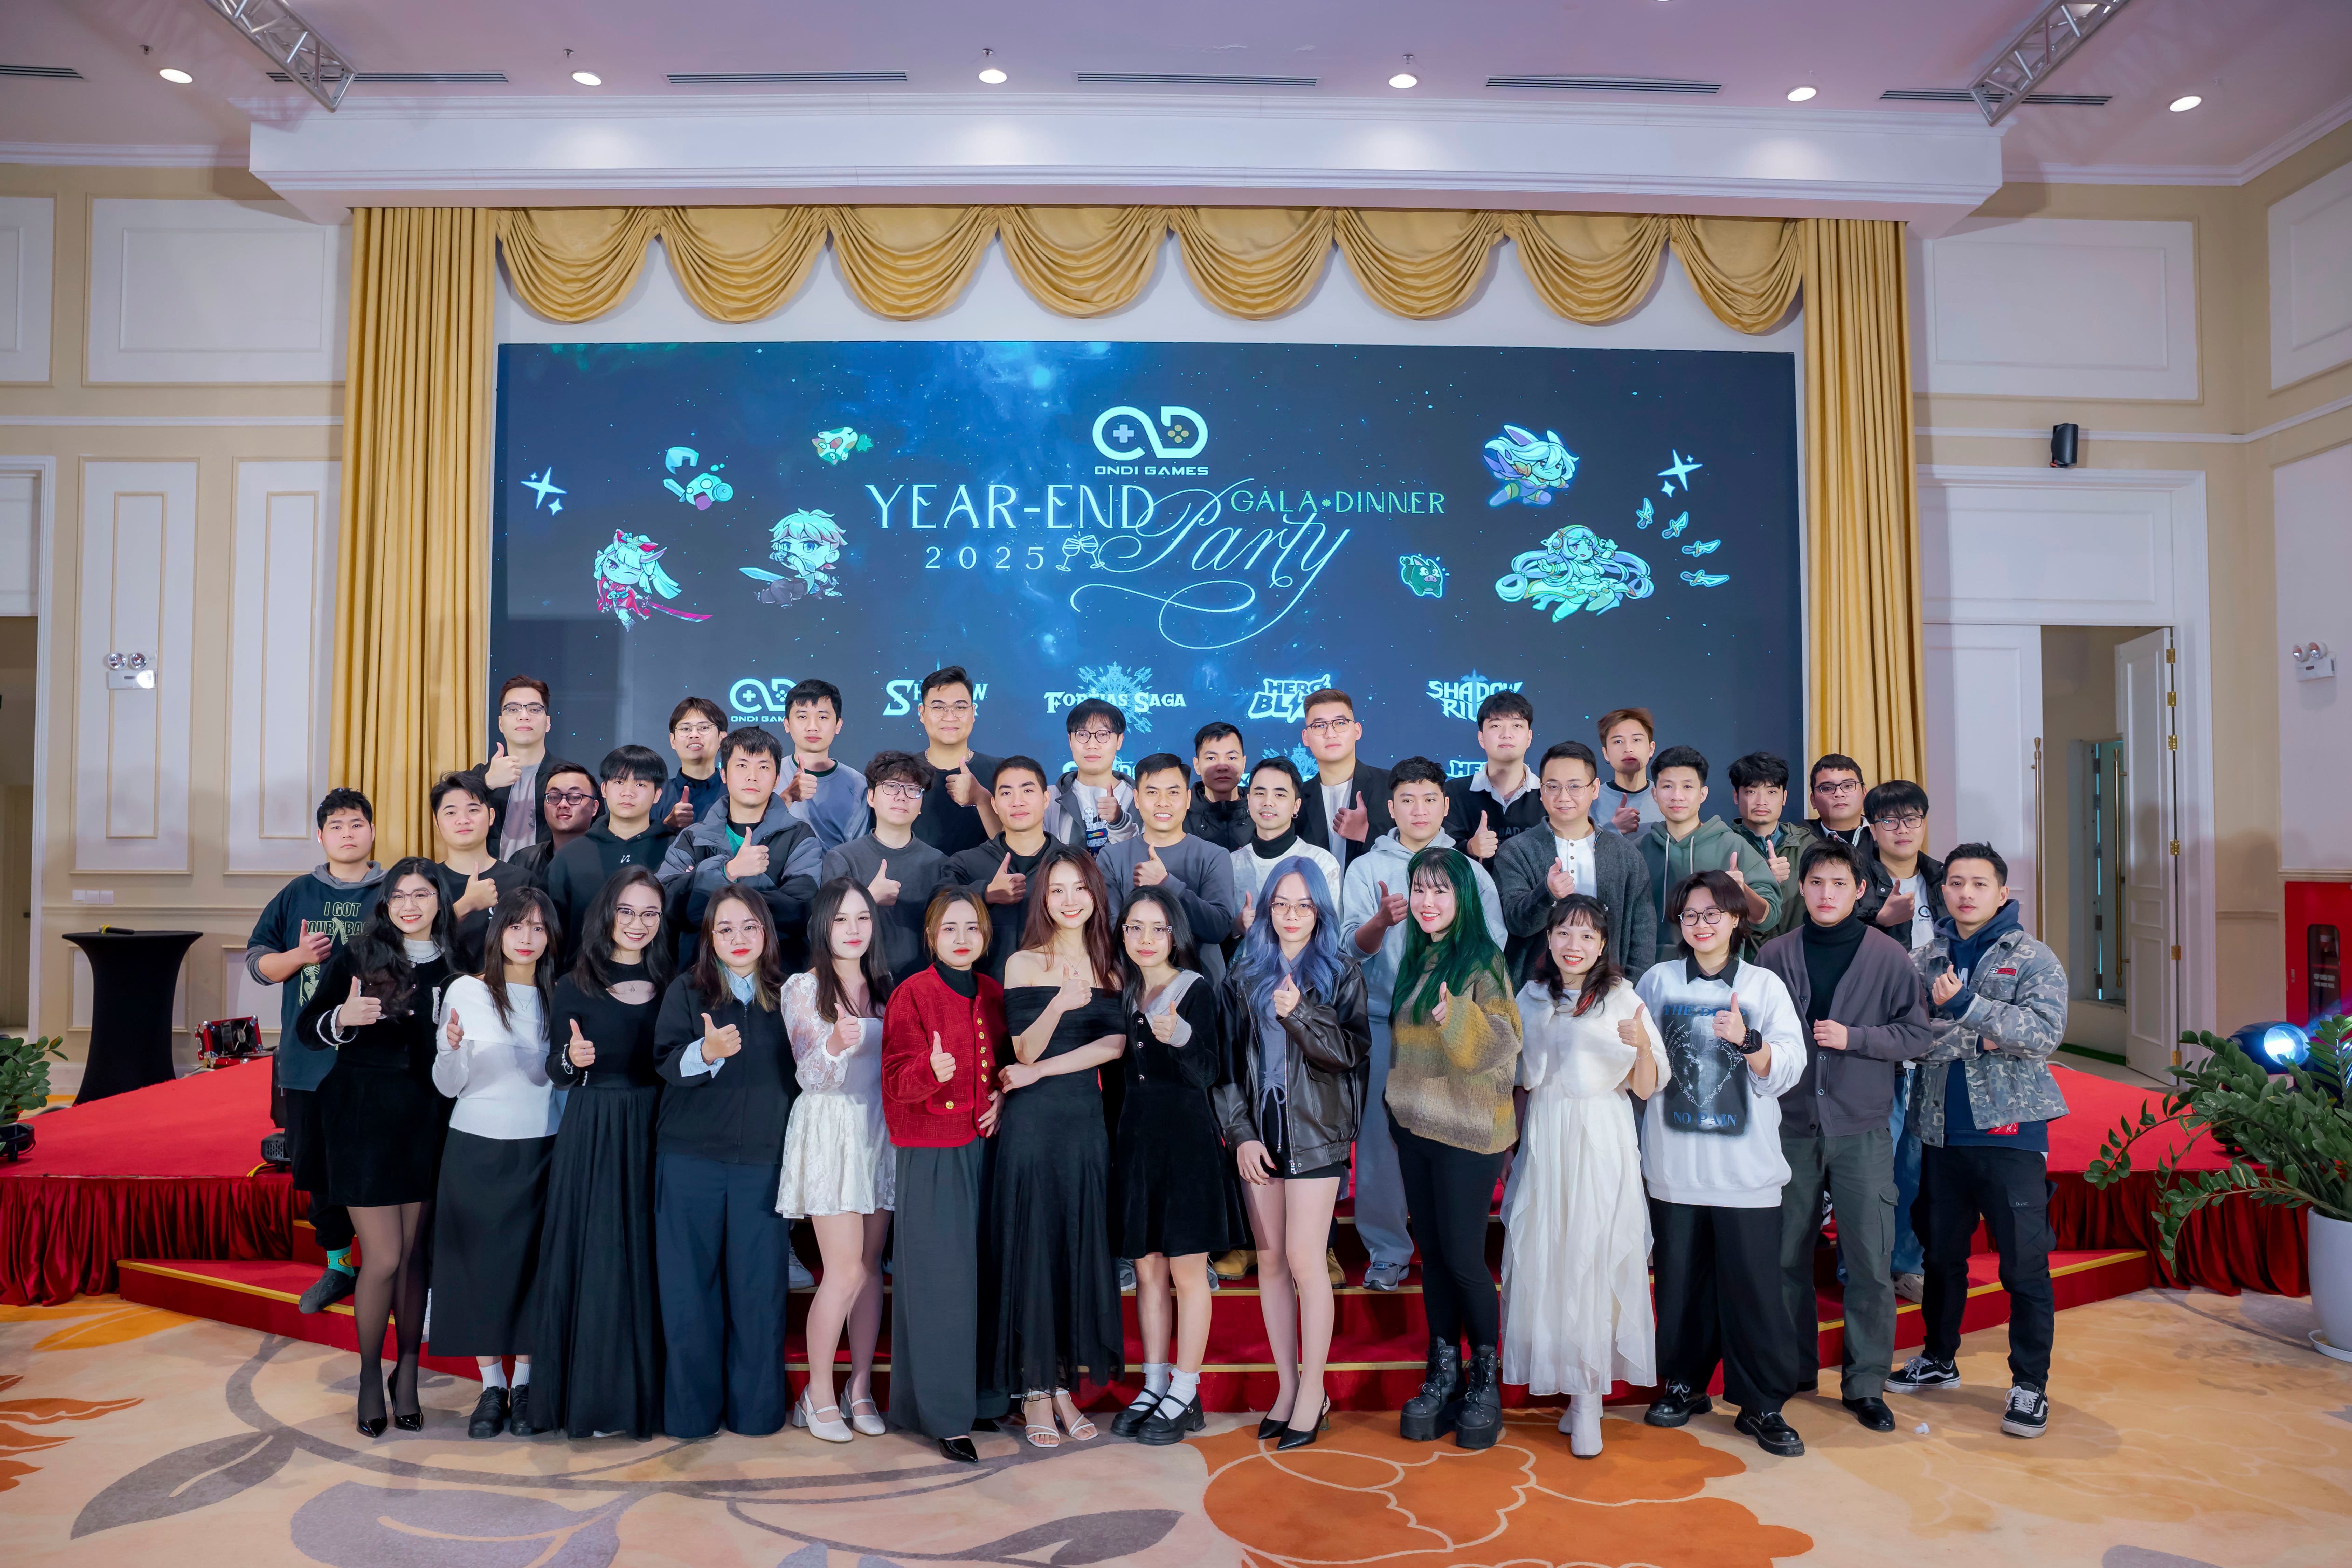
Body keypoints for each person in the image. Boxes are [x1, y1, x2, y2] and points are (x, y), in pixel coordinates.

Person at [1886, 843, 2069, 1441]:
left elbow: (2041, 1034)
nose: (1966, 893)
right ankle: (1939, 1358)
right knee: (1941, 1258)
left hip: (2010, 1133)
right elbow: (1910, 1037)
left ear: (2002, 893)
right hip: (1939, 1132)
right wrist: (1983, 1035)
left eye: (1979, 883)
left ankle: (2029, 1384)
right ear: (1943, 891)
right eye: (1956, 882)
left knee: (2023, 1265)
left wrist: (1964, 1006)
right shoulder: (1923, 958)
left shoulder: (2033, 958)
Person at [1755, 839, 1932, 1433]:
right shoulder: (1775, 954)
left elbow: (1916, 1035)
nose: (1826, 893)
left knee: (1868, 1262)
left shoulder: (1888, 956)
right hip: (1788, 1126)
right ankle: (1791, 1369)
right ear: (1801, 888)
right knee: (1785, 1256)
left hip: (1862, 1128)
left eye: (1839, 883)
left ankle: (1865, 1384)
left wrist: (1855, 1038)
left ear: (1860, 890)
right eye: (1816, 882)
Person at [1636, 869, 1807, 1458]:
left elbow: (1790, 1066)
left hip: (1745, 1173)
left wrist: (1748, 1041)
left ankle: (1761, 1403)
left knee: (1754, 1291)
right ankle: (1683, 1384)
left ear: (1736, 920)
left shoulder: (1763, 985)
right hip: (1675, 1169)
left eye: (1713, 914)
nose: (1701, 924)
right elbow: (1639, 1062)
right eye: (1690, 915)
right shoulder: (1658, 981)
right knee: (1680, 1287)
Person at [290, 857, 452, 1437]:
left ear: (440, 900)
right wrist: (343, 1015)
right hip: (362, 1116)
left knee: (414, 1258)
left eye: (422, 894)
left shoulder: (458, 964)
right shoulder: (360, 954)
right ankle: (367, 1375)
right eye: (399, 895)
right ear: (385, 904)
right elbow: (307, 1028)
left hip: (428, 1118)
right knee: (382, 1256)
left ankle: (406, 1375)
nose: (410, 905)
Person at [1214, 857, 1370, 1451]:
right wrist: (1240, 1133)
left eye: (1303, 905)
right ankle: (1286, 1388)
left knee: (1306, 1258)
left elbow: (1350, 1052)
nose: (1291, 915)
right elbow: (1226, 1064)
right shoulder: (1245, 970)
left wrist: (1299, 1013)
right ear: (1267, 909)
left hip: (1317, 1131)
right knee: (1272, 1260)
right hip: (1260, 1130)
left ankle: (1313, 1390)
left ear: (1320, 910)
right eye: (1281, 904)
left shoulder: (1340, 970)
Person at [1501, 894, 1664, 1458]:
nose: (1574, 946)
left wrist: (1642, 1048)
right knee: (1550, 1257)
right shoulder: (1529, 996)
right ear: (1548, 938)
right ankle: (1572, 1388)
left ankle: (1589, 1397)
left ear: (1602, 945)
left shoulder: (1622, 996)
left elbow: (1646, 1086)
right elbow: (1519, 1076)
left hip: (1600, 1137)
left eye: (1587, 936)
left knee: (1591, 1256)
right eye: (1564, 933)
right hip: (1547, 1136)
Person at [1340, 757, 1506, 1294]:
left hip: (1452, 1026)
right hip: (1384, 1024)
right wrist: (1380, 922)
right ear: (1390, 808)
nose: (1418, 809)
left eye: (1429, 799)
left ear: (1444, 805)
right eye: (1407, 800)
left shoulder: (1469, 872)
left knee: (1451, 1137)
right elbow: (1348, 949)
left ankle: (1452, 1248)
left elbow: (1493, 946)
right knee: (1380, 1144)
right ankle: (1387, 1251)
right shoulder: (1367, 868)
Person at [988, 848, 1128, 1446]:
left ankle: (1064, 1385)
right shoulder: (1022, 962)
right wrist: (1059, 1003)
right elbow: (1022, 1049)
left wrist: (1043, 1071)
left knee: (1075, 1247)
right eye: (1057, 890)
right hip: (1032, 1127)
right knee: (1033, 1250)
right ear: (1042, 900)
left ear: (1096, 894)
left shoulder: (1113, 965)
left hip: (1083, 1126)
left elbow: (1115, 1047)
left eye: (1079, 889)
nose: (1070, 900)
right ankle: (1034, 1391)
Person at [1385, 848, 1523, 1452]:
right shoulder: (1418, 955)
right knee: (1435, 1257)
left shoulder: (1482, 960)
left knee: (1465, 1258)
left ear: (1463, 897)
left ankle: (1484, 1381)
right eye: (1420, 888)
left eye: (1440, 890)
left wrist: (1457, 1018)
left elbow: (1503, 1043)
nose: (1427, 901)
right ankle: (1444, 1372)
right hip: (1417, 1128)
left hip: (1468, 1132)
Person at [652, 885, 801, 1439]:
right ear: (709, 938)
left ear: (767, 933)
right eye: (725, 928)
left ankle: (756, 1413)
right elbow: (666, 1063)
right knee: (688, 1293)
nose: (738, 938)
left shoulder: (791, 995)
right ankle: (690, 1415)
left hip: (763, 1164)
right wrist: (706, 1053)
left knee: (758, 1294)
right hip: (689, 1160)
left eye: (749, 927)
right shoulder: (687, 991)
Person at [533, 867, 669, 1440]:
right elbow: (555, 1069)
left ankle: (641, 1399)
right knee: (594, 1257)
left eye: (650, 913)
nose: (638, 923)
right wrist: (573, 1060)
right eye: (627, 911)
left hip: (656, 1127)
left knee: (647, 1260)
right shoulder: (574, 982)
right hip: (592, 1128)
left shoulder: (675, 979)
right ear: (607, 913)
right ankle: (586, 1400)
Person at [1107, 886, 1243, 1445]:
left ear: (1174, 934)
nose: (1145, 938)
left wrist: (1181, 1035)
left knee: (1187, 1273)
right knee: (1147, 1272)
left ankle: (1185, 1390)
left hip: (1186, 1146)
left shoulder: (1195, 989)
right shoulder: (1121, 993)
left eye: (1157, 928)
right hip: (1137, 1148)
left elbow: (1210, 1071)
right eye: (1135, 927)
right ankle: (1155, 1382)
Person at [882, 885, 1012, 1463]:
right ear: (931, 937)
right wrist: (929, 1070)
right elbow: (893, 1082)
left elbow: (1008, 1066)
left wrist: (1003, 1098)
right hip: (932, 1150)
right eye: (950, 928)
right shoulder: (911, 993)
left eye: (972, 928)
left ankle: (982, 1398)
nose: (962, 938)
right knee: (941, 1285)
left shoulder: (994, 992)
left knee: (985, 1278)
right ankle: (943, 1414)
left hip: (988, 1150)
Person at [247, 788, 386, 1315]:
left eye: (357, 823)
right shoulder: (297, 893)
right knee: (318, 1167)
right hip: (310, 1060)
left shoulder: (394, 890)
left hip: (379, 1061)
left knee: (376, 1161)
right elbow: (259, 964)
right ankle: (338, 1266)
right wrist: (299, 956)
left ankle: (386, 1265)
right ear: (321, 835)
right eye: (337, 826)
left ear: (373, 830)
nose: (348, 833)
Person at [431, 886, 564, 1439]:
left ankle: (526, 1382)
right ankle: (492, 1386)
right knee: (478, 1269)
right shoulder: (466, 989)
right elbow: (447, 1086)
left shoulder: (562, 994)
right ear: (498, 931)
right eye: (516, 926)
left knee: (535, 1267)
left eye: (538, 927)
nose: (527, 938)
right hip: (476, 1146)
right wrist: (451, 1049)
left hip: (543, 1147)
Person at [777, 878, 897, 1443]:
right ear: (822, 925)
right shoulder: (803, 987)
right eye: (842, 919)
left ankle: (860, 1389)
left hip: (879, 1130)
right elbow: (808, 1075)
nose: (853, 929)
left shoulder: (887, 985)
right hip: (830, 1129)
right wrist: (834, 1044)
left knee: (869, 1269)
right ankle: (818, 1393)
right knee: (844, 1269)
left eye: (863, 918)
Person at [1215, 755, 1342, 1285]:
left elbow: (1330, 939)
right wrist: (1238, 927)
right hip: (1250, 998)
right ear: (1247, 800)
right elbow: (1220, 935)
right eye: (1259, 792)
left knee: (1309, 1116)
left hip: (1306, 999)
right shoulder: (1230, 862)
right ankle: (1253, 1242)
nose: (1267, 802)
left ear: (1296, 804)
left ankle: (1321, 1246)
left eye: (1279, 793)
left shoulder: (1319, 861)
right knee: (1250, 1102)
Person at [1861, 778, 1942, 1300]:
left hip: (1934, 1042)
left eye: (1912, 817)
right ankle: (1862, 1267)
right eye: (1889, 819)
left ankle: (1906, 1261)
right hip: (1876, 1044)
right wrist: (1877, 917)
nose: (1902, 828)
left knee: (1916, 1163)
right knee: (1873, 1163)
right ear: (1871, 827)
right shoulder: (1853, 877)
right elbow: (1832, 936)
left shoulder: (1942, 877)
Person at [656, 725, 824, 970]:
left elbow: (800, 913)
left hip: (776, 975)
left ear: (777, 779)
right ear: (724, 774)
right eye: (742, 765)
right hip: (702, 973)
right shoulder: (692, 838)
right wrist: (729, 871)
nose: (752, 776)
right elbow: (667, 907)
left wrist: (702, 886)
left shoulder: (799, 836)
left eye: (763, 767)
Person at [1492, 741, 1657, 986]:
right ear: (1541, 791)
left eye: (1575, 786)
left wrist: (1627, 989)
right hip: (1535, 992)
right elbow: (1516, 924)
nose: (1563, 797)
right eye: (1553, 787)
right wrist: (1547, 894)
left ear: (1595, 788)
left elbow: (1642, 933)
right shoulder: (1516, 851)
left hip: (1607, 992)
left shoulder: (1625, 854)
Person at [1096, 754, 1240, 987]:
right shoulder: (1112, 858)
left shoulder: (1214, 856)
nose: (1163, 802)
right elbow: (1109, 932)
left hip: (1201, 989)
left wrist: (1167, 883)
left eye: (1173, 793)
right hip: (1131, 990)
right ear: (1137, 799)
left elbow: (1218, 929)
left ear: (1188, 799)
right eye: (1152, 792)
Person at [821, 750, 948, 982]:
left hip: (923, 985)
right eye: (891, 787)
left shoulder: (939, 863)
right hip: (859, 985)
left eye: (912, 790)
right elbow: (818, 931)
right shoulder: (843, 858)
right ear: (871, 797)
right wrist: (869, 899)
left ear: (921, 804)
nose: (902, 797)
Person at [1636, 747, 1777, 949]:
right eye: (1667, 786)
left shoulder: (1733, 845)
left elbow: (1768, 919)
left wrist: (1743, 891)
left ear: (1703, 794)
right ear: (1655, 794)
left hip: (1718, 965)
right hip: (1652, 964)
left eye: (1687, 787)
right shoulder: (1637, 851)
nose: (1677, 796)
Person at [546, 745, 671, 965]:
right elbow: (551, 931)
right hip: (581, 979)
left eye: (640, 784)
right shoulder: (570, 857)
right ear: (604, 789)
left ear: (657, 795)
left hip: (660, 980)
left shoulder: (675, 852)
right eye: (619, 782)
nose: (628, 792)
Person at [943, 755, 1056, 981]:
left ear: (1046, 799)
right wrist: (985, 894)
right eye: (1006, 793)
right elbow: (936, 906)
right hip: (983, 995)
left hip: (1056, 991)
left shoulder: (1071, 863)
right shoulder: (967, 863)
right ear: (994, 804)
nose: (1017, 802)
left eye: (1028, 791)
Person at [430, 771, 538, 973]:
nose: (463, 820)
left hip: (506, 989)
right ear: (437, 823)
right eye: (451, 813)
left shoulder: (522, 880)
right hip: (442, 989)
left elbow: (538, 943)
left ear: (491, 816)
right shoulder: (427, 882)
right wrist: (466, 905)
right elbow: (415, 944)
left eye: (473, 810)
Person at [1292, 689, 1392, 878]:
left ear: (1357, 731)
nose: (1330, 734)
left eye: (1340, 723)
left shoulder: (1391, 787)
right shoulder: (1297, 800)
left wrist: (1367, 834)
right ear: (1306, 737)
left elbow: (1421, 847)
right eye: (1319, 726)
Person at [1443, 689, 1542, 870]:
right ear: (1481, 738)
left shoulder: (1548, 793)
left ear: (1529, 738)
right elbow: (1439, 856)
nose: (1507, 734)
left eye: (1517, 726)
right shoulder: (1454, 792)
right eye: (1496, 726)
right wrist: (1470, 848)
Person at [911, 666, 1002, 856]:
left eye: (960, 708)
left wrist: (982, 799)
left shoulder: (1001, 772)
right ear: (922, 713)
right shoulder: (903, 774)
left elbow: (1015, 847)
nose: (950, 717)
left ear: (973, 712)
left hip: (987, 876)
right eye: (939, 708)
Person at [776, 678, 871, 852]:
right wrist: (788, 797)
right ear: (787, 724)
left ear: (838, 725)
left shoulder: (858, 784)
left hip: (839, 870)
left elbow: (860, 852)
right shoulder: (769, 775)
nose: (813, 727)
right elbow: (754, 833)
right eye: (803, 717)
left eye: (823, 717)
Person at [1728, 752, 1806, 940]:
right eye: (1751, 792)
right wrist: (1764, 880)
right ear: (1736, 796)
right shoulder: (1724, 844)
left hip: (1796, 952)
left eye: (1772, 792)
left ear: (1784, 797)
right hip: (1742, 952)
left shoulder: (1808, 845)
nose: (1761, 802)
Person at [479, 675, 556, 861]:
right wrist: (487, 783)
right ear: (500, 723)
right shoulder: (479, 778)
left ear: (548, 723)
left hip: (549, 878)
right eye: (513, 709)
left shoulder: (567, 778)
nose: (524, 716)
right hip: (491, 878)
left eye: (534, 709)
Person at [1048, 698, 1138, 851]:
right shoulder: (1049, 799)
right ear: (1070, 741)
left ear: (1119, 741)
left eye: (1103, 734)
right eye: (1083, 734)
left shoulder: (1140, 799)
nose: (1092, 745)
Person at [504, 761, 601, 885]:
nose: (563, 804)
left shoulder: (607, 860)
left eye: (575, 797)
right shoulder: (523, 861)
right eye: (554, 797)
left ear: (594, 808)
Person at [656, 696, 729, 833]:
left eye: (704, 728)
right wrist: (666, 826)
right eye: (685, 729)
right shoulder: (655, 795)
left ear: (722, 738)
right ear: (673, 740)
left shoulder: (735, 794)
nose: (694, 735)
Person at [1185, 722, 1253, 852]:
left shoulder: (1261, 809)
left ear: (1244, 763)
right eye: (1211, 758)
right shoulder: (1180, 814)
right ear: (1197, 765)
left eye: (1231, 758)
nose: (1222, 767)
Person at [1598, 708, 1663, 834]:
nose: (1628, 749)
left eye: (1636, 740)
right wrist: (1614, 828)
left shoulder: (1667, 797)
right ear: (1606, 753)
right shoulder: (1591, 801)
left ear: (1651, 749)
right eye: (1618, 741)